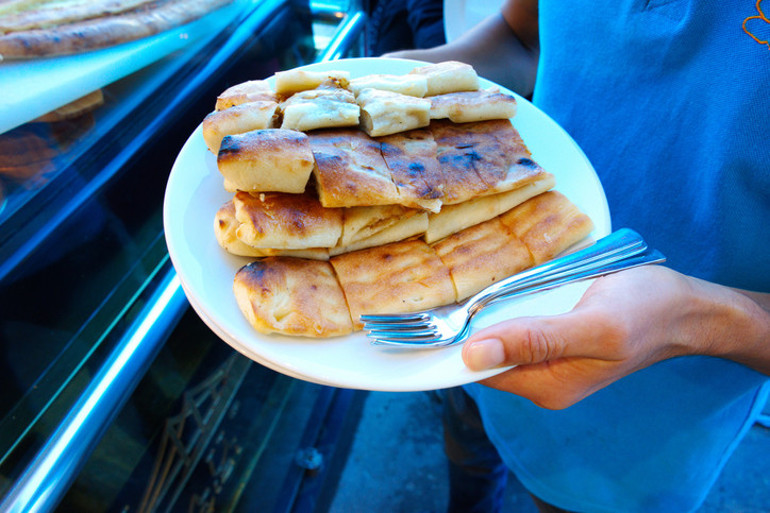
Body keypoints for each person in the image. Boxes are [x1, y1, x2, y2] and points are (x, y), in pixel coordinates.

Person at [386, 1, 770, 512]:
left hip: (650, 414)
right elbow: (522, 38)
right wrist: (397, 89)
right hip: (467, 315)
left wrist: (698, 320)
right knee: (469, 441)